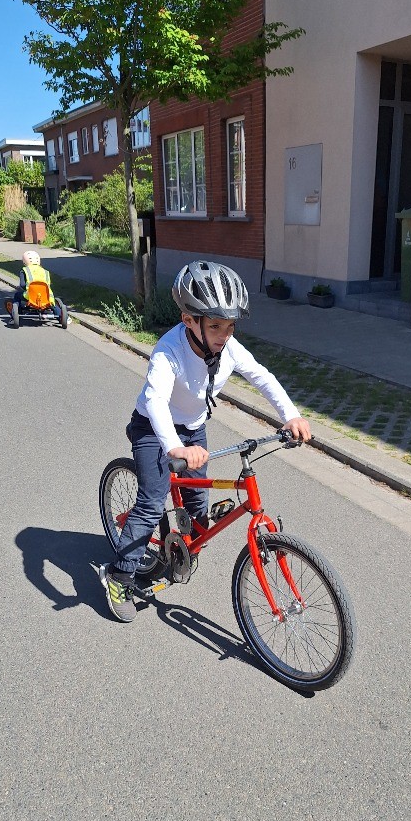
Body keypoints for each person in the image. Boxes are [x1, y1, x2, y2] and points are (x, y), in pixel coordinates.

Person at [99, 260, 312, 623]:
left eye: (230, 326)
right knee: (151, 502)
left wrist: (291, 415)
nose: (224, 335)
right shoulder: (168, 351)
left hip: (193, 429)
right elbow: (155, 401)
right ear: (189, 320)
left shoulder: (229, 348)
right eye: (214, 326)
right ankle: (119, 576)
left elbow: (262, 376)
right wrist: (174, 447)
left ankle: (183, 548)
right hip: (154, 429)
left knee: (199, 502)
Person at [13, 249, 62, 320]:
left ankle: (17, 314)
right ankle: (62, 317)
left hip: (30, 296)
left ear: (24, 261)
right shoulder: (45, 271)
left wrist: (26, 288)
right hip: (46, 295)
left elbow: (22, 285)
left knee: (17, 295)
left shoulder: (24, 270)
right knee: (52, 303)